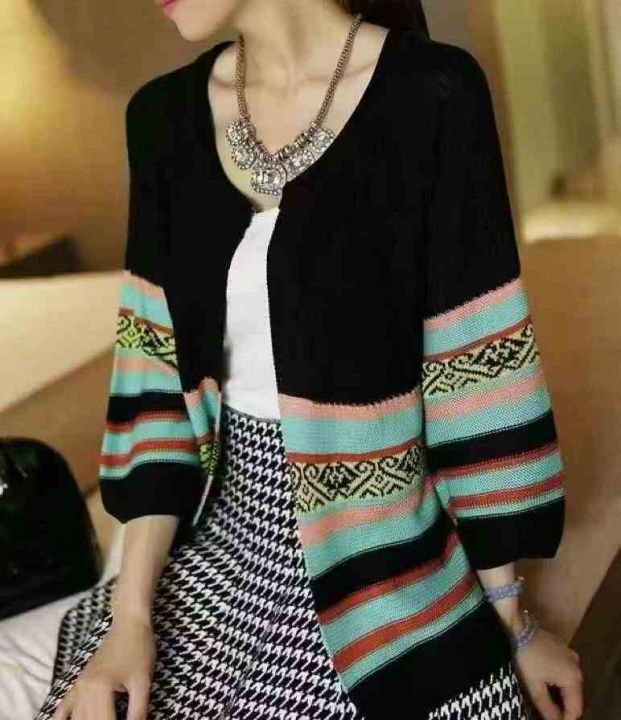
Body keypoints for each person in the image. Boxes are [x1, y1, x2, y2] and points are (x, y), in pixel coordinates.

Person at [37, 1, 584, 719]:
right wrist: (130, 620)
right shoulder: (160, 118)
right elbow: (153, 386)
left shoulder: (434, 92)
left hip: (383, 535)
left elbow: (477, 371)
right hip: (220, 528)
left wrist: (510, 620)